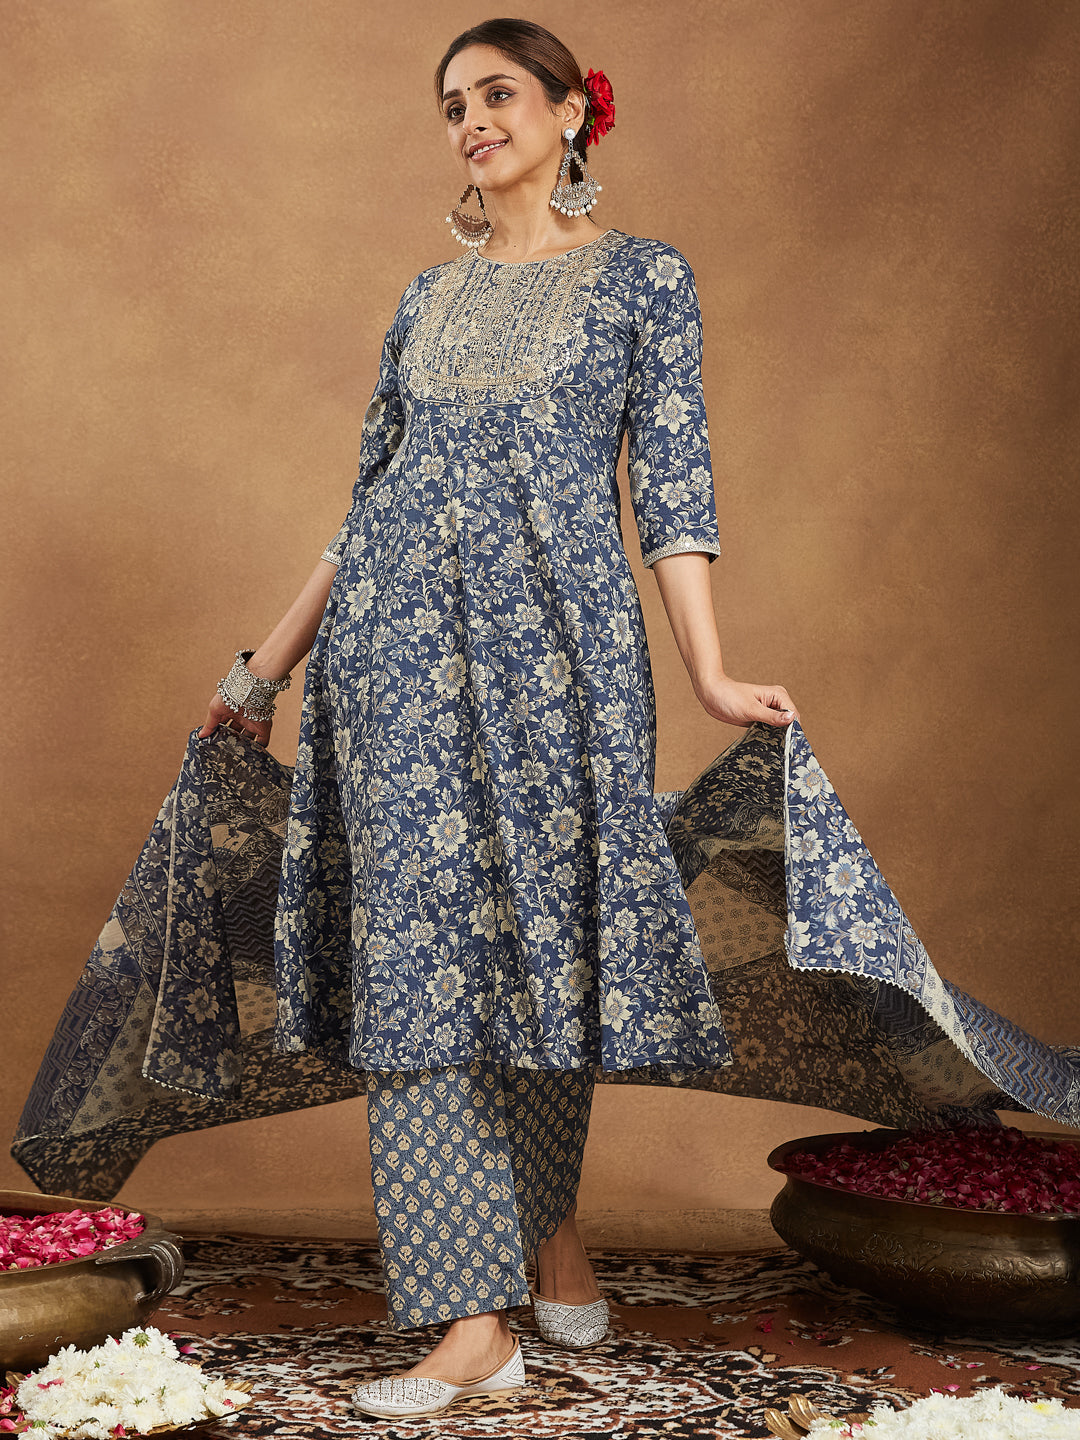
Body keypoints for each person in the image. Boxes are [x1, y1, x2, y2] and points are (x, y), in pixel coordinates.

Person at [199, 17, 798, 1421]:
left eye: (499, 93)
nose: (473, 120)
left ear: (573, 110)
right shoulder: (427, 299)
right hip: (393, 660)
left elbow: (677, 488)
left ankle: (547, 1231)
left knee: (542, 947)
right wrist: (263, 670)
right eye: (453, 104)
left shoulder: (645, 280)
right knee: (418, 957)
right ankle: (470, 1325)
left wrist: (710, 674)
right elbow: (368, 503)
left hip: (562, 659)